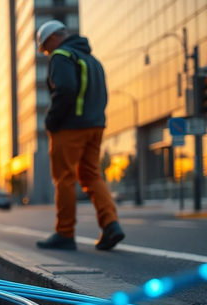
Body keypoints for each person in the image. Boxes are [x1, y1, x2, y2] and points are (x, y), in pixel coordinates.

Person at [34, 20, 124, 251]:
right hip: (95, 126)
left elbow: (65, 89)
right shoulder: (92, 60)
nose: (47, 53)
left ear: (53, 38)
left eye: (45, 47)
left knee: (64, 178)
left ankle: (64, 233)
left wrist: (52, 121)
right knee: (91, 175)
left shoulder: (61, 56)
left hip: (70, 127)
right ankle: (111, 224)